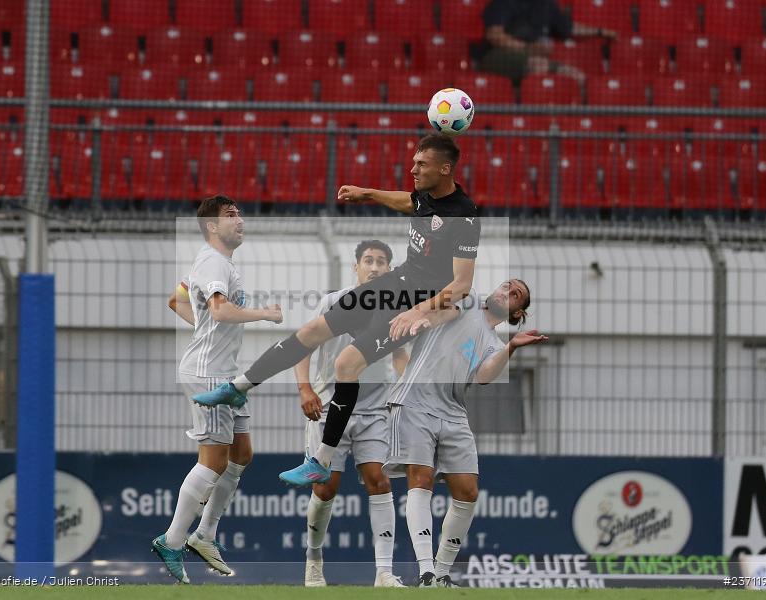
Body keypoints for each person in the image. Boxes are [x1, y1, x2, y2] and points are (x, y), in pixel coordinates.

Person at [192, 134, 481, 489]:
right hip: (396, 282)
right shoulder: (427, 196)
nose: (413, 169)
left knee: (346, 364)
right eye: (414, 162)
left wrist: (416, 311)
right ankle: (238, 387)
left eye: (421, 164)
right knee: (312, 331)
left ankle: (322, 460)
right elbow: (411, 202)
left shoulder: (464, 215)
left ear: (445, 168)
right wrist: (368, 194)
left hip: (415, 304)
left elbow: (462, 284)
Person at [151, 195, 283, 584]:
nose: (239, 219)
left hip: (223, 371)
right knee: (212, 461)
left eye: (240, 212)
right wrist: (266, 314)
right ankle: (172, 541)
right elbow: (222, 311)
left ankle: (205, 534)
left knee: (241, 453)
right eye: (230, 215)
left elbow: (175, 298)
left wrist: (204, 330)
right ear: (212, 226)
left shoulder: (217, 262)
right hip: (209, 374)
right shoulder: (212, 261)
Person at [386, 280, 547, 587]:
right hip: (414, 400)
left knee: (468, 491)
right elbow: (443, 310)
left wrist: (511, 347)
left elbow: (485, 376)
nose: (505, 292)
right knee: (420, 480)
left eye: (515, 295)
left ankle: (442, 572)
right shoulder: (469, 299)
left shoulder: (495, 344)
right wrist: (423, 315)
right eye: (506, 286)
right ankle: (426, 572)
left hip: (453, 411)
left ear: (518, 312)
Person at [296, 240, 409, 588]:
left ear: (390, 270)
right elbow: (303, 343)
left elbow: (400, 355)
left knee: (379, 480)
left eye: (381, 262)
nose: (374, 267)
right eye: (368, 261)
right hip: (330, 409)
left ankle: (384, 573)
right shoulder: (333, 302)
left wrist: (404, 390)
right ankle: (313, 561)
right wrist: (305, 388)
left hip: (375, 410)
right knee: (326, 489)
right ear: (356, 267)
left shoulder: (394, 307)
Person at [478, 0, 617, 85]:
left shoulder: (545, 4)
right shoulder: (505, 2)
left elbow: (569, 28)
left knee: (576, 76)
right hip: (498, 56)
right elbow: (494, 35)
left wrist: (599, 32)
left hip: (534, 57)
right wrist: (527, 47)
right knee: (538, 65)